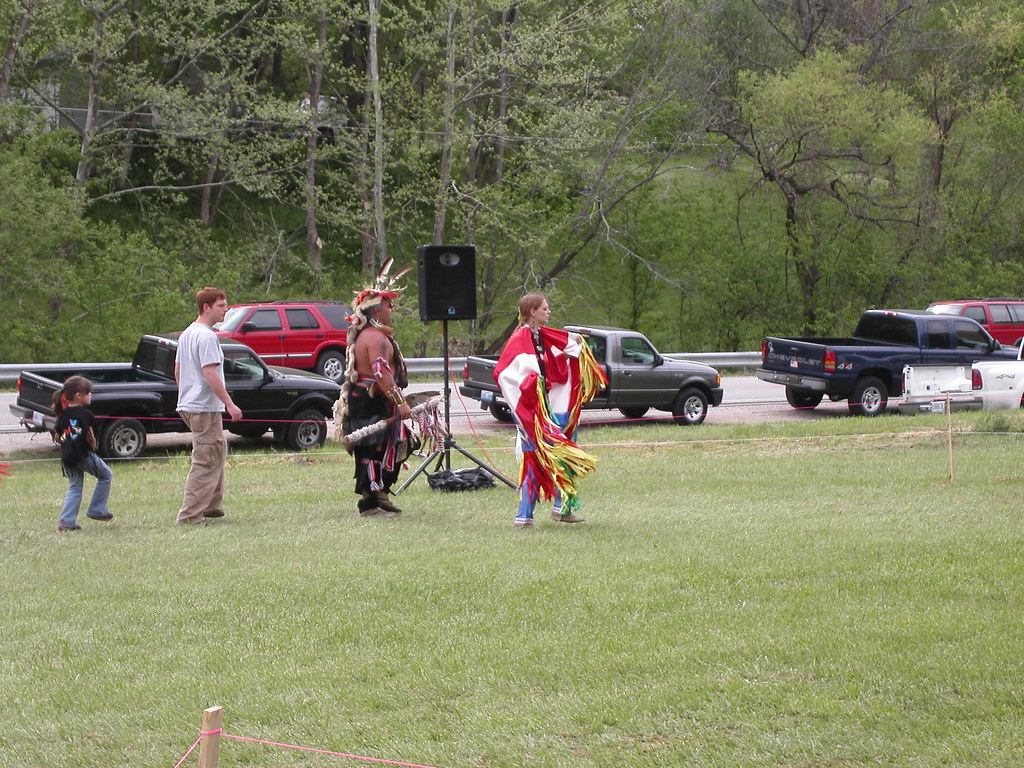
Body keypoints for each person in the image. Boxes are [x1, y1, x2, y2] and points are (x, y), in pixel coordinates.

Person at [494, 292, 608, 529]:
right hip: (533, 412)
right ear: (532, 312)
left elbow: (547, 365)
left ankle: (561, 508)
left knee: (562, 452)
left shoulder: (540, 336)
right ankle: (525, 517)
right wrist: (531, 386)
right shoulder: (520, 338)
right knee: (537, 459)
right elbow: (504, 373)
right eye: (545, 308)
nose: (549, 312)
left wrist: (566, 352)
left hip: (549, 407)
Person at [334, 260, 413, 517]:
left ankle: (381, 494)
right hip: (370, 400)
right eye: (389, 305)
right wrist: (401, 402)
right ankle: (368, 504)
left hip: (373, 400)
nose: (392, 309)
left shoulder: (370, 334)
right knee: (370, 449)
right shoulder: (375, 338)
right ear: (377, 311)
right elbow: (381, 373)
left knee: (390, 447)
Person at [175, 286, 243, 525]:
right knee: (205, 459)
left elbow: (178, 370)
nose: (226, 309)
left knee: (216, 451)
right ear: (206, 307)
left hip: (191, 405)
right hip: (203, 407)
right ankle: (190, 515)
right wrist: (229, 404)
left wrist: (185, 394)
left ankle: (210, 505)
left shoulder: (187, 334)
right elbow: (210, 373)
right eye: (221, 305)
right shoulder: (206, 336)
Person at [52, 375, 114, 531]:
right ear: (79, 395)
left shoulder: (62, 414)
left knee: (75, 488)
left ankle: (66, 522)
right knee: (106, 475)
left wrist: (69, 439)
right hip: (83, 455)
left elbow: (57, 437)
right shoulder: (86, 415)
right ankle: (97, 510)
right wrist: (92, 445)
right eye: (88, 392)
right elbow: (91, 438)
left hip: (67, 457)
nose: (90, 395)